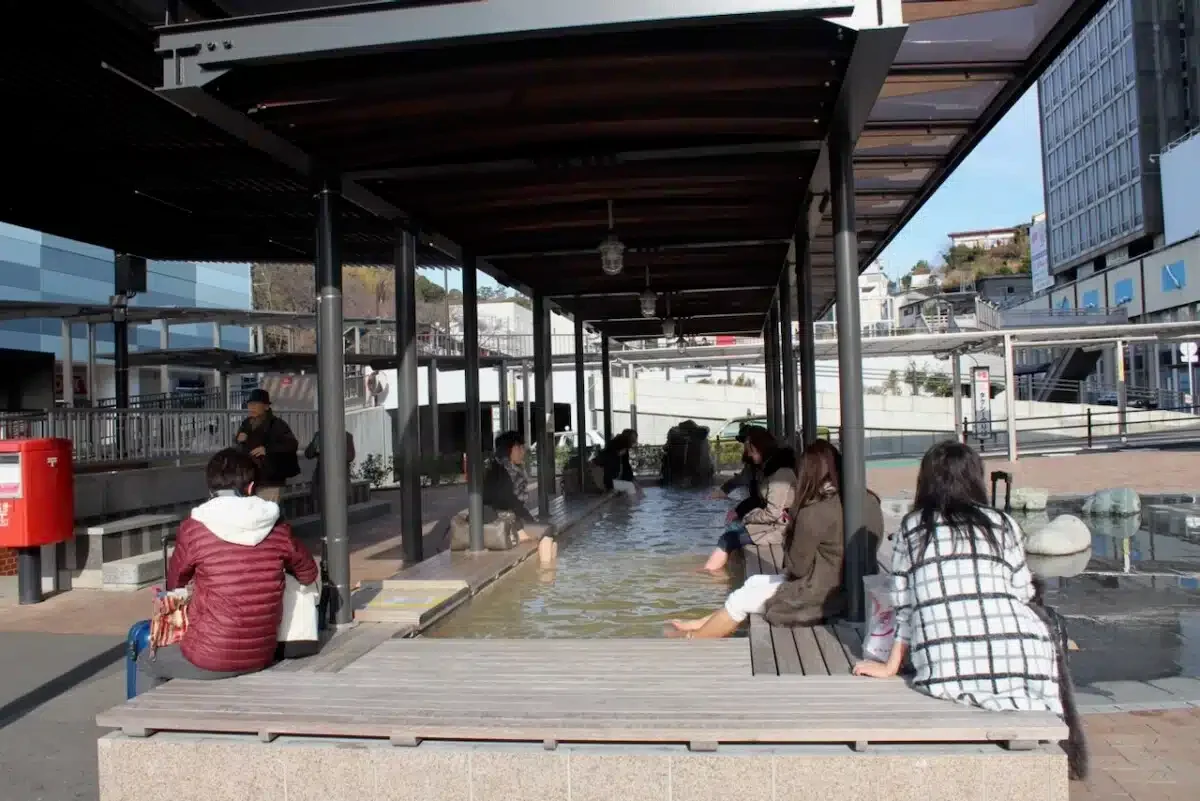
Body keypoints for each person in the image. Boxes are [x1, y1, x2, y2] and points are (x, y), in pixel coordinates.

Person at [852, 441, 1087, 779]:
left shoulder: (913, 527)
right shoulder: (1001, 523)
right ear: (976, 477)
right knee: (1047, 627)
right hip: (1021, 655)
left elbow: (903, 605)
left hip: (944, 667)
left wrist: (890, 667)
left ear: (926, 480)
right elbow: (1023, 592)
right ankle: (1072, 756)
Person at [136, 449, 319, 693]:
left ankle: (153, 720)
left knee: (146, 659)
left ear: (210, 489)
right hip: (261, 654)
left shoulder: (194, 528)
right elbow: (308, 574)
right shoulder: (277, 527)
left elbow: (174, 584)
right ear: (251, 487)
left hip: (209, 656)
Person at [670, 440, 881, 638]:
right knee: (752, 582)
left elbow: (796, 567)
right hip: (854, 586)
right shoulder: (869, 500)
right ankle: (703, 624)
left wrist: (792, 528)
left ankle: (695, 638)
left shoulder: (815, 511)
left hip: (826, 596)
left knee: (741, 599)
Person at [700, 427, 795, 574]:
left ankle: (709, 573)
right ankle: (719, 569)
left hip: (781, 528)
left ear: (760, 448)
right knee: (731, 533)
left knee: (728, 538)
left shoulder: (780, 473)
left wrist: (748, 517)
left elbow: (773, 513)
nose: (749, 455)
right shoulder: (771, 469)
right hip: (777, 524)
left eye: (751, 450)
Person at [235, 388, 300, 502]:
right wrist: (238, 439)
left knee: (268, 513)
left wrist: (267, 449)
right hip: (250, 478)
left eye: (255, 404)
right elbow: (240, 444)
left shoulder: (277, 424)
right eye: (250, 404)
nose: (251, 408)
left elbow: (291, 444)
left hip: (270, 479)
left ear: (266, 407)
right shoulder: (246, 423)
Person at [304, 429, 356, 511]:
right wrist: (315, 444)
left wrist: (334, 452)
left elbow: (351, 456)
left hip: (340, 477)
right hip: (322, 478)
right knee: (323, 506)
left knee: (340, 506)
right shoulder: (319, 435)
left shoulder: (346, 436)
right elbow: (308, 454)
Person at [595, 429, 640, 497]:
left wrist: (631, 479)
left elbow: (626, 468)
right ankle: (632, 506)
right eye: (633, 440)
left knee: (636, 489)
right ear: (628, 440)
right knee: (630, 487)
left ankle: (631, 505)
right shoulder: (613, 451)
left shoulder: (622, 450)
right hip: (609, 482)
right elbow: (610, 472)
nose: (635, 442)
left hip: (614, 480)